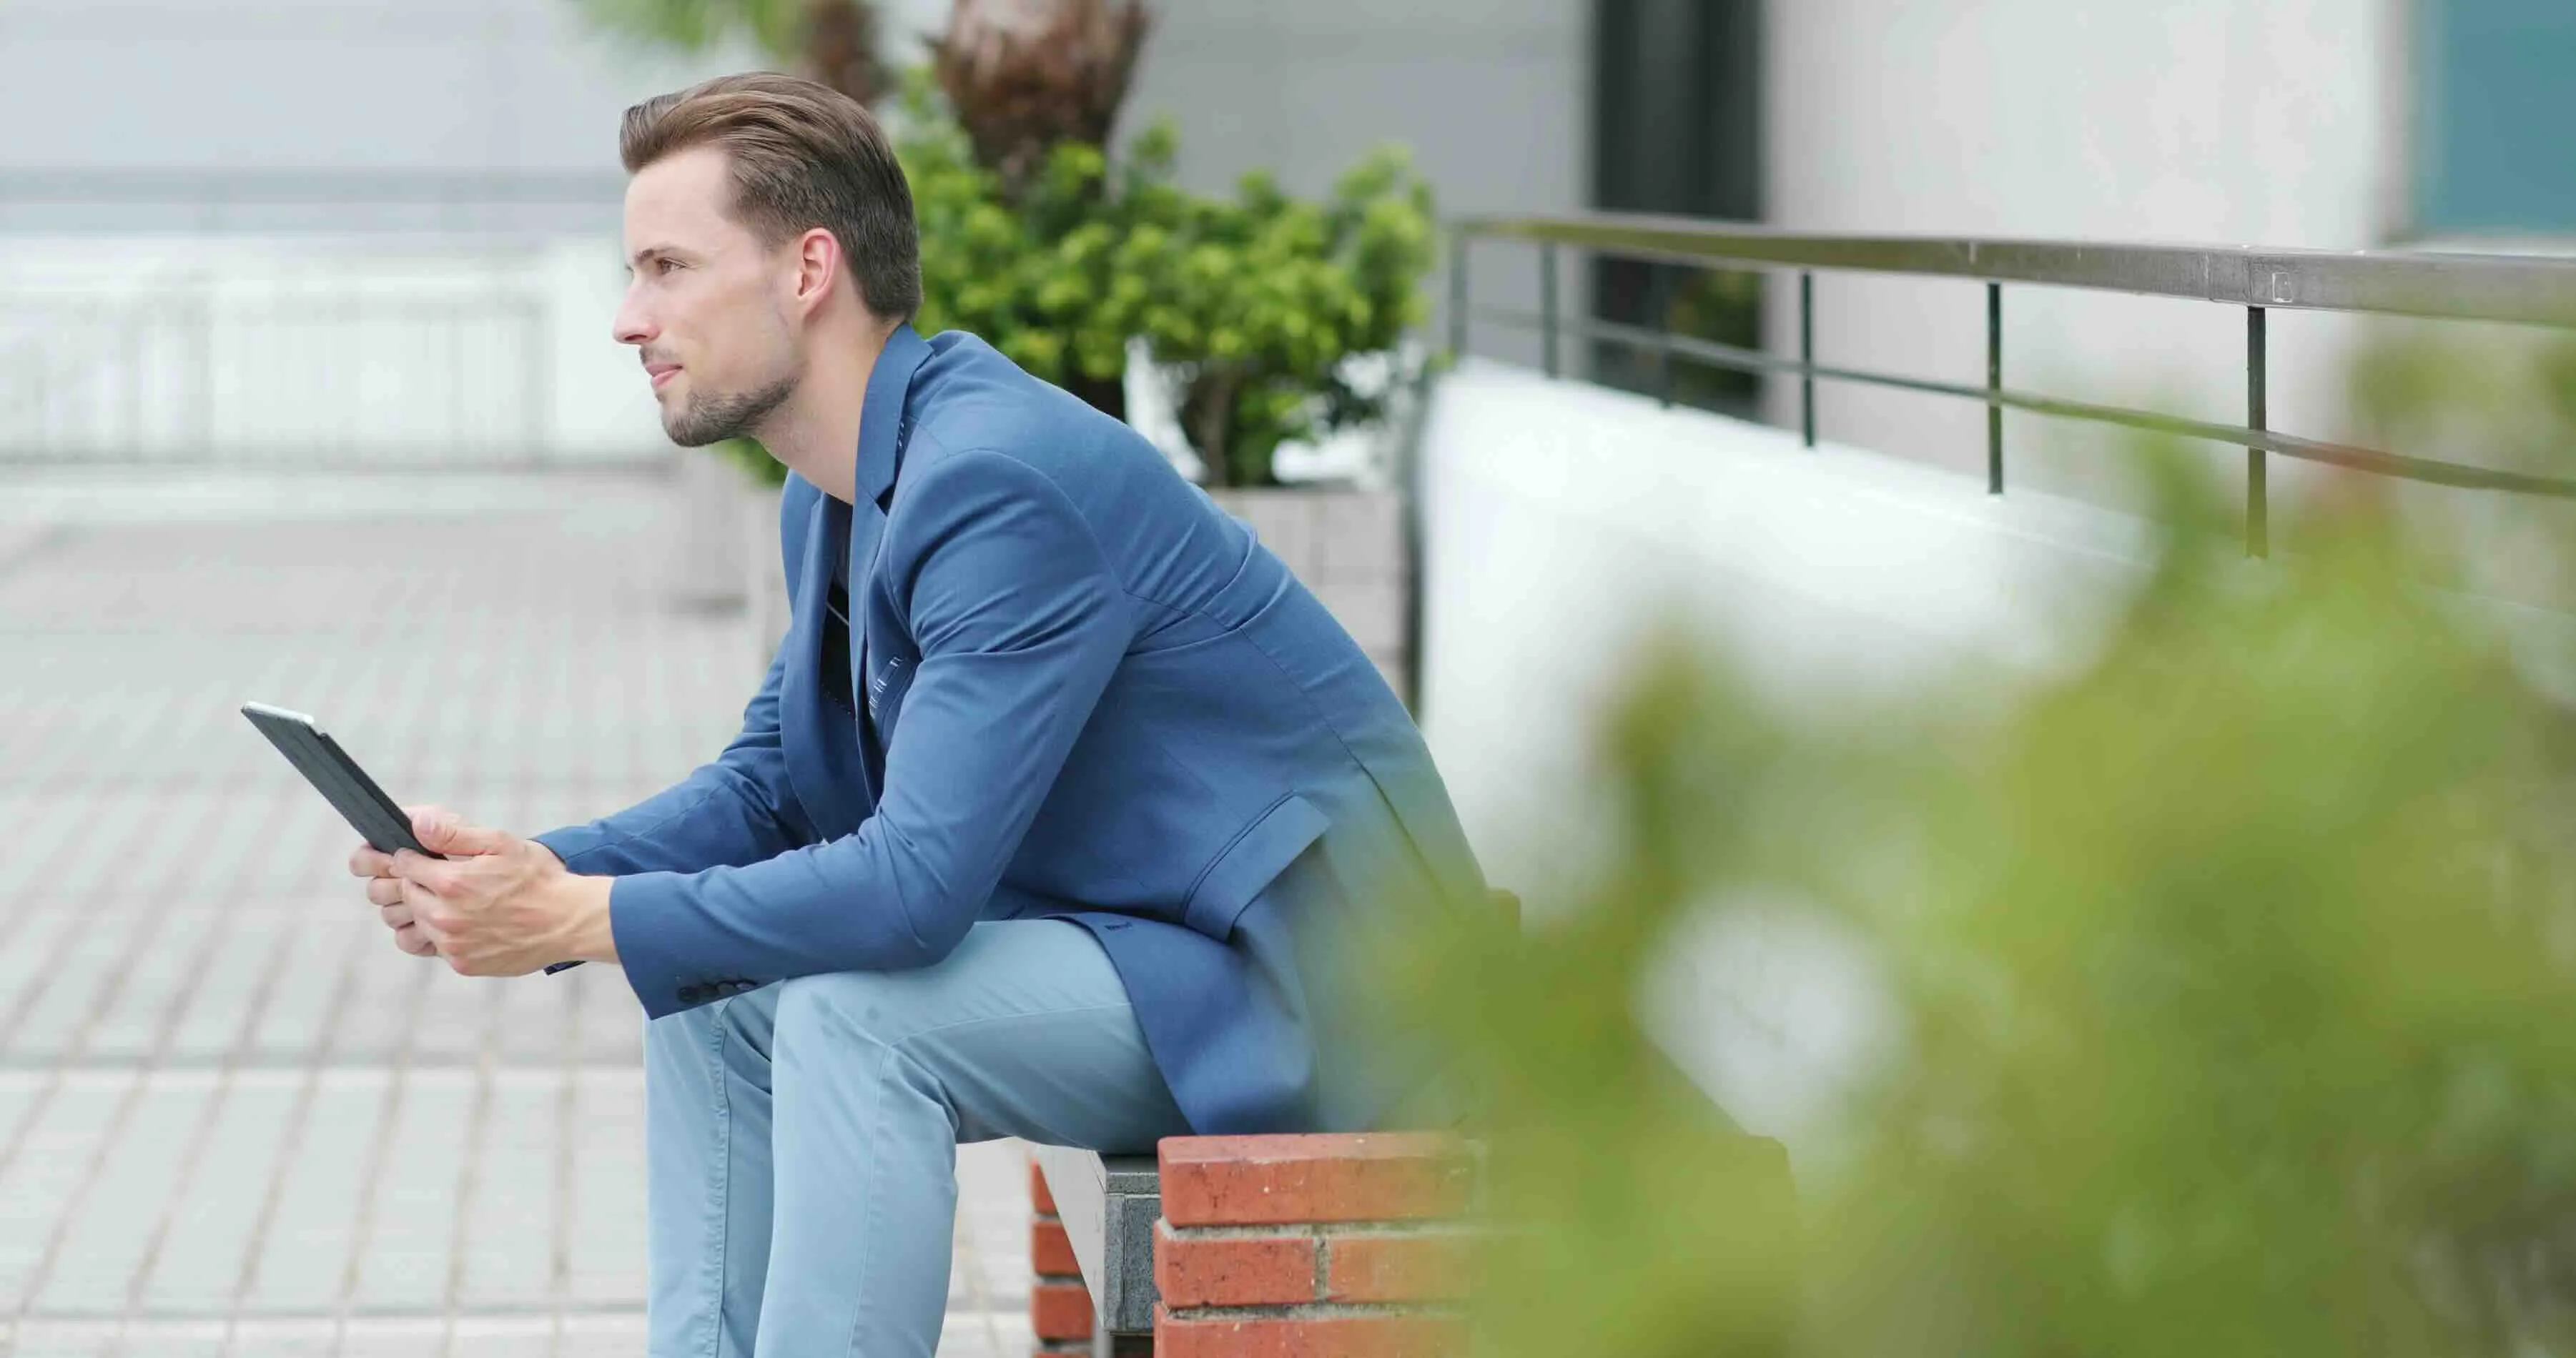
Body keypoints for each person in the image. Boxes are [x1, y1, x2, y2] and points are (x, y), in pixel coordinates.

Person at [345, 71, 1487, 1358]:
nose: (628, 319)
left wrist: (579, 920)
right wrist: (542, 871)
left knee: (855, 1017)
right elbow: (774, 785)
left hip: (1316, 981)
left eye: (666, 266)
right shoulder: (835, 486)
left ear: (807, 270)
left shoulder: (995, 482)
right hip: (1148, 943)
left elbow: (914, 889)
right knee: (717, 1002)